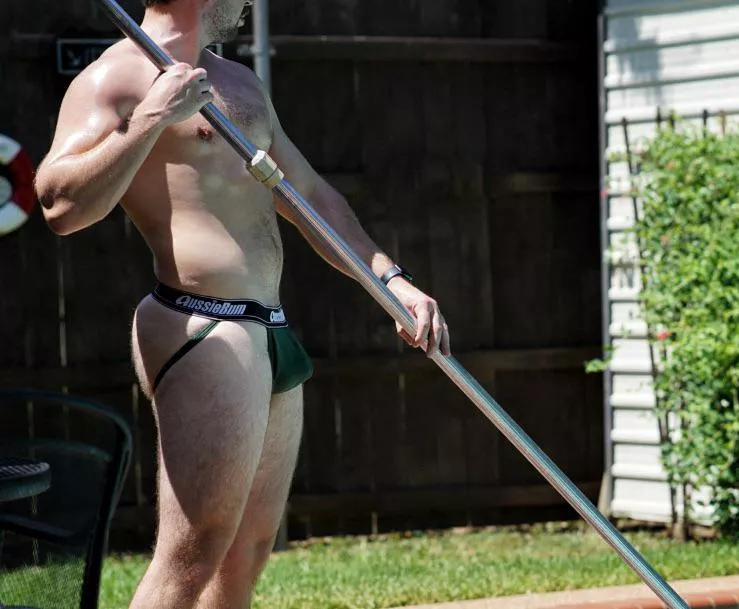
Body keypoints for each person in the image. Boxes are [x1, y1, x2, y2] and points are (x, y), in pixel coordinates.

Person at [32, 0, 451, 607]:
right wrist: (151, 116)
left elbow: (308, 195)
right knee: (192, 553)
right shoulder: (115, 75)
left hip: (268, 327)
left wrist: (391, 281)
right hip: (202, 325)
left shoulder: (237, 82)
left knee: (245, 554)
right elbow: (58, 204)